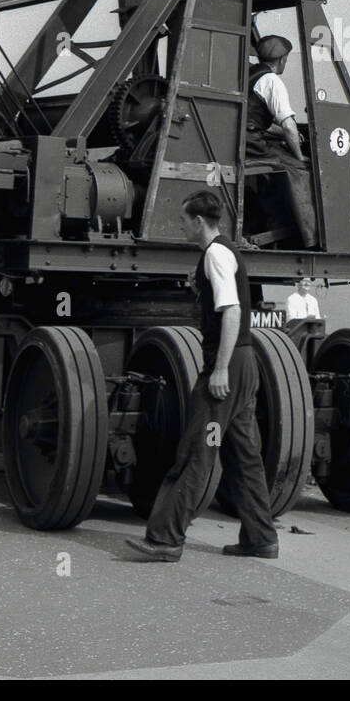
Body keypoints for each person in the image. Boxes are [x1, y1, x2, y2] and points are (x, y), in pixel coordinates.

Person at [125, 190, 279, 562]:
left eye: (183, 220)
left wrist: (220, 368)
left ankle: (165, 539)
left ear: (198, 221)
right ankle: (261, 538)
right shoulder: (224, 252)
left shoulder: (215, 255)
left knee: (196, 451)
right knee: (245, 456)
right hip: (245, 363)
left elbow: (231, 312)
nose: (180, 226)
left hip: (229, 365)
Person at [245, 34, 319, 248]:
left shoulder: (251, 74)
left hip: (242, 139)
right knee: (298, 170)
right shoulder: (272, 81)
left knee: (280, 156)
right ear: (282, 59)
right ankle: (309, 238)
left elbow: (256, 118)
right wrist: (299, 155)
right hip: (252, 145)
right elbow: (287, 125)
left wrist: (283, 134)